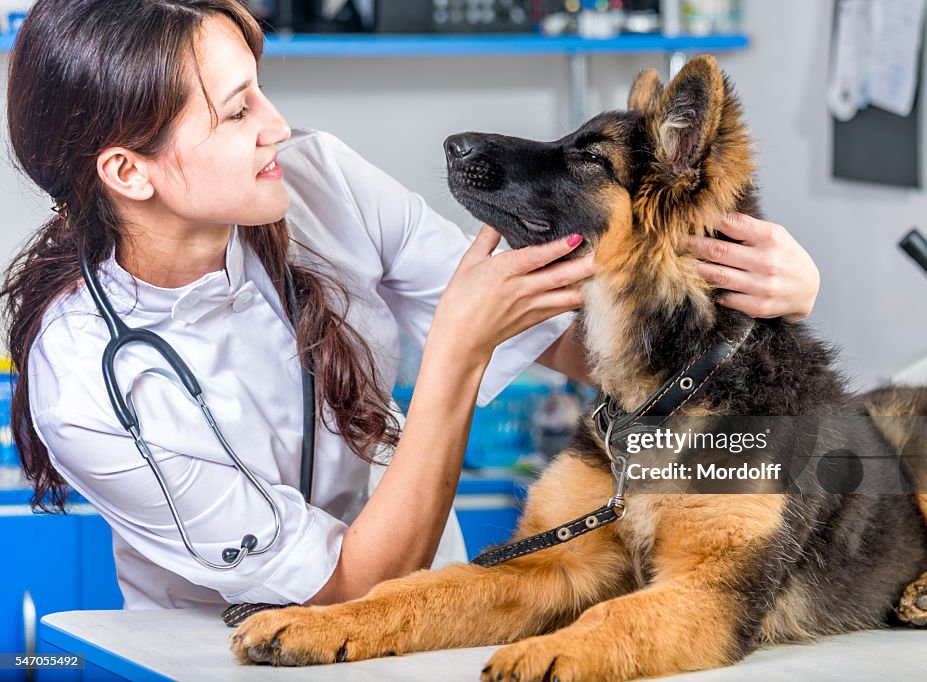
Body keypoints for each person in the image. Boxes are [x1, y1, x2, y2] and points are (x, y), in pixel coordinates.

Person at [1, 0, 819, 610]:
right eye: (238, 110)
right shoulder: (88, 388)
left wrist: (757, 294)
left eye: (263, 93)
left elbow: (579, 341)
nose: (278, 127)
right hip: (225, 651)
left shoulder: (319, 181)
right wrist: (455, 358)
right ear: (128, 172)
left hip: (428, 618)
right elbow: (352, 587)